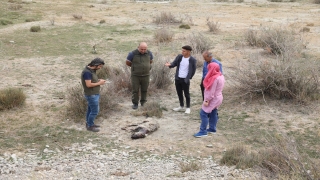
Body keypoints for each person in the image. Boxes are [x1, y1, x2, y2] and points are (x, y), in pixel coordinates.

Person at [194, 62, 225, 137]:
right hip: (219, 97)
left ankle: (203, 131)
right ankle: (212, 128)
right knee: (213, 112)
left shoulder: (214, 79)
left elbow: (211, 92)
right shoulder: (221, 76)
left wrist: (207, 100)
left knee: (203, 113)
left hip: (212, 98)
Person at [165, 45, 197, 114]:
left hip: (185, 79)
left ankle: (188, 107)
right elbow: (174, 63)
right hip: (178, 78)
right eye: (182, 50)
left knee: (186, 94)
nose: (182, 52)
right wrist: (170, 65)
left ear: (188, 52)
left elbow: (193, 70)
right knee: (179, 93)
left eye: (184, 51)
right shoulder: (179, 57)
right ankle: (181, 106)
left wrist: (188, 77)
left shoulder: (192, 60)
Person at [81, 58, 106, 132]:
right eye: (100, 66)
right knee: (95, 111)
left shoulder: (92, 71)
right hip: (91, 94)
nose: (100, 68)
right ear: (96, 65)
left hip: (94, 94)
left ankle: (89, 123)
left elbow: (91, 80)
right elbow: (88, 84)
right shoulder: (87, 72)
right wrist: (99, 83)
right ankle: (90, 126)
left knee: (90, 110)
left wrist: (98, 80)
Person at [126, 42, 153, 109]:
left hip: (146, 75)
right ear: (138, 47)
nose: (143, 51)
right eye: (141, 49)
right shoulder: (132, 54)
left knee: (144, 89)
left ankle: (143, 102)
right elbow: (128, 62)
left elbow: (151, 61)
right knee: (135, 90)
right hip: (136, 75)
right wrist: (135, 68)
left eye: (145, 49)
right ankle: (135, 103)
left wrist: (147, 67)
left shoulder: (149, 53)